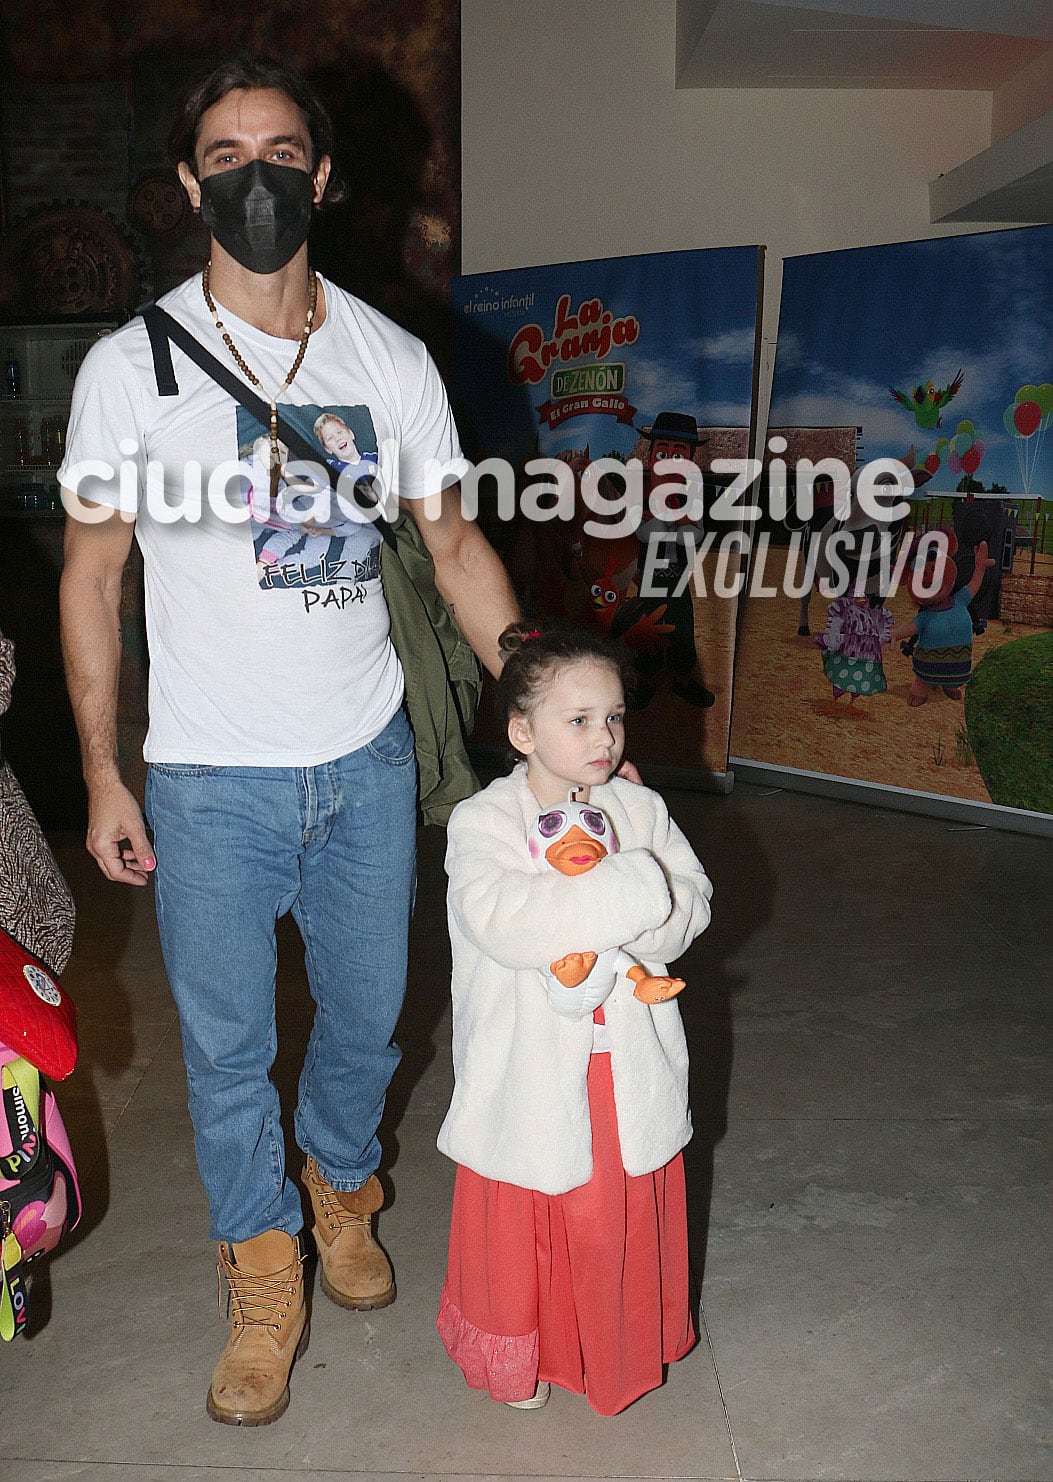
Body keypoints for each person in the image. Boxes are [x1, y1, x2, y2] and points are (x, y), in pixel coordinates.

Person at [57, 54, 520, 1426]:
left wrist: (541, 686)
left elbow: (450, 539)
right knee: (224, 1046)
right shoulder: (128, 367)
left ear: (321, 176)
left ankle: (340, 1186)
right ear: (191, 181)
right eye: (224, 153)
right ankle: (262, 1265)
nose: (253, 176)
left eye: (278, 151)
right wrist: (103, 770)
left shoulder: (389, 357)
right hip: (207, 779)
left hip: (366, 759)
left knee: (368, 1024)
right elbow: (92, 574)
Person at [436, 622, 713, 1415]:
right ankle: (522, 1357)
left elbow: (687, 902)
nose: (605, 737)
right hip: (527, 1066)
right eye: (580, 720)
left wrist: (636, 903)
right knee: (532, 1212)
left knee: (606, 1221)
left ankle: (607, 1348)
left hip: (624, 1058)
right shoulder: (484, 821)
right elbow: (507, 921)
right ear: (521, 730)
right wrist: (628, 892)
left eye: (615, 717)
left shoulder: (640, 806)